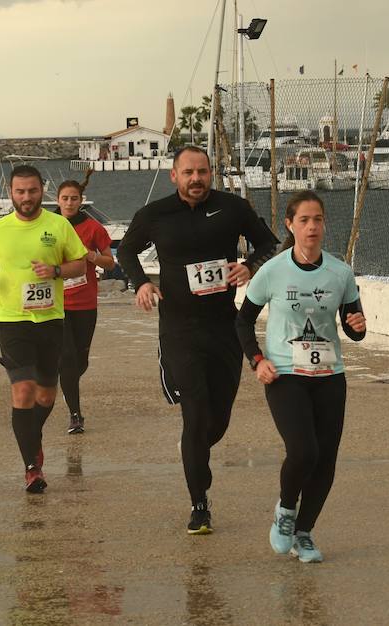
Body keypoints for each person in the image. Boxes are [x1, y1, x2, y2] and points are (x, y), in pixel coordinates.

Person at [116, 146, 277, 535]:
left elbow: (269, 243)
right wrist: (141, 284)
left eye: (202, 171)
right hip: (179, 328)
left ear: (211, 173)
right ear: (174, 175)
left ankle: (194, 448)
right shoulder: (155, 215)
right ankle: (199, 503)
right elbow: (125, 250)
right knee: (195, 411)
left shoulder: (232, 208)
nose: (196, 179)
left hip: (224, 326)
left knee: (216, 422)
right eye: (188, 172)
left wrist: (249, 266)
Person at [235, 190, 366, 563]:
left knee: (325, 459)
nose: (313, 227)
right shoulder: (273, 271)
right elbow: (242, 321)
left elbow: (353, 325)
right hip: (285, 373)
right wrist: (257, 360)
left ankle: (304, 532)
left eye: (318, 220)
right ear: (290, 226)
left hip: (329, 374)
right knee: (303, 451)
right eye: (304, 220)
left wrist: (357, 326)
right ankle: (286, 510)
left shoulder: (340, 272)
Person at [0, 165, 87, 493]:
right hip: (12, 320)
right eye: (20, 191)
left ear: (42, 190)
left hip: (51, 320)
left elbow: (79, 264)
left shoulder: (58, 225)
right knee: (23, 391)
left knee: (46, 394)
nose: (26, 197)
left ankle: (30, 437)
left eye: (32, 191)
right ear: (11, 192)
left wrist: (54, 269)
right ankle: (32, 467)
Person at [55, 179, 115, 434]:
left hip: (85, 303)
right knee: (67, 359)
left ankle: (59, 374)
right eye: (65, 198)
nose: (69, 203)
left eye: (74, 198)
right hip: (55, 303)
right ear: (57, 200)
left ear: (81, 201)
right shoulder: (48, 225)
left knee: (80, 362)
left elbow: (110, 264)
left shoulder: (93, 228)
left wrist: (90, 256)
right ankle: (75, 414)